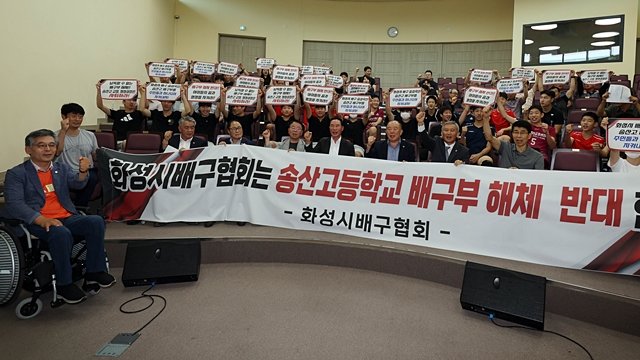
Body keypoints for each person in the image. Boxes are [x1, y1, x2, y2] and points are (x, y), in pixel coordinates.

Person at [4, 129, 115, 304]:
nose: (48, 149)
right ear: (28, 149)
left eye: (51, 145)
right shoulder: (17, 174)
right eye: (41, 145)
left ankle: (94, 272)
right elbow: (15, 204)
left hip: (66, 215)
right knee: (60, 232)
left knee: (96, 221)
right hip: (38, 221)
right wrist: (41, 219)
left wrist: (83, 172)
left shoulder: (60, 168)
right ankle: (64, 284)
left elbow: (77, 184)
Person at [55, 103, 99, 207]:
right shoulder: (55, 135)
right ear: (64, 117)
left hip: (86, 170)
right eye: (73, 116)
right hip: (64, 171)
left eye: (80, 116)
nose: (77, 119)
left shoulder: (90, 135)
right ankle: (66, 207)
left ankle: (80, 207)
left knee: (93, 177)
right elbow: (57, 152)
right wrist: (63, 131)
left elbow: (95, 156)